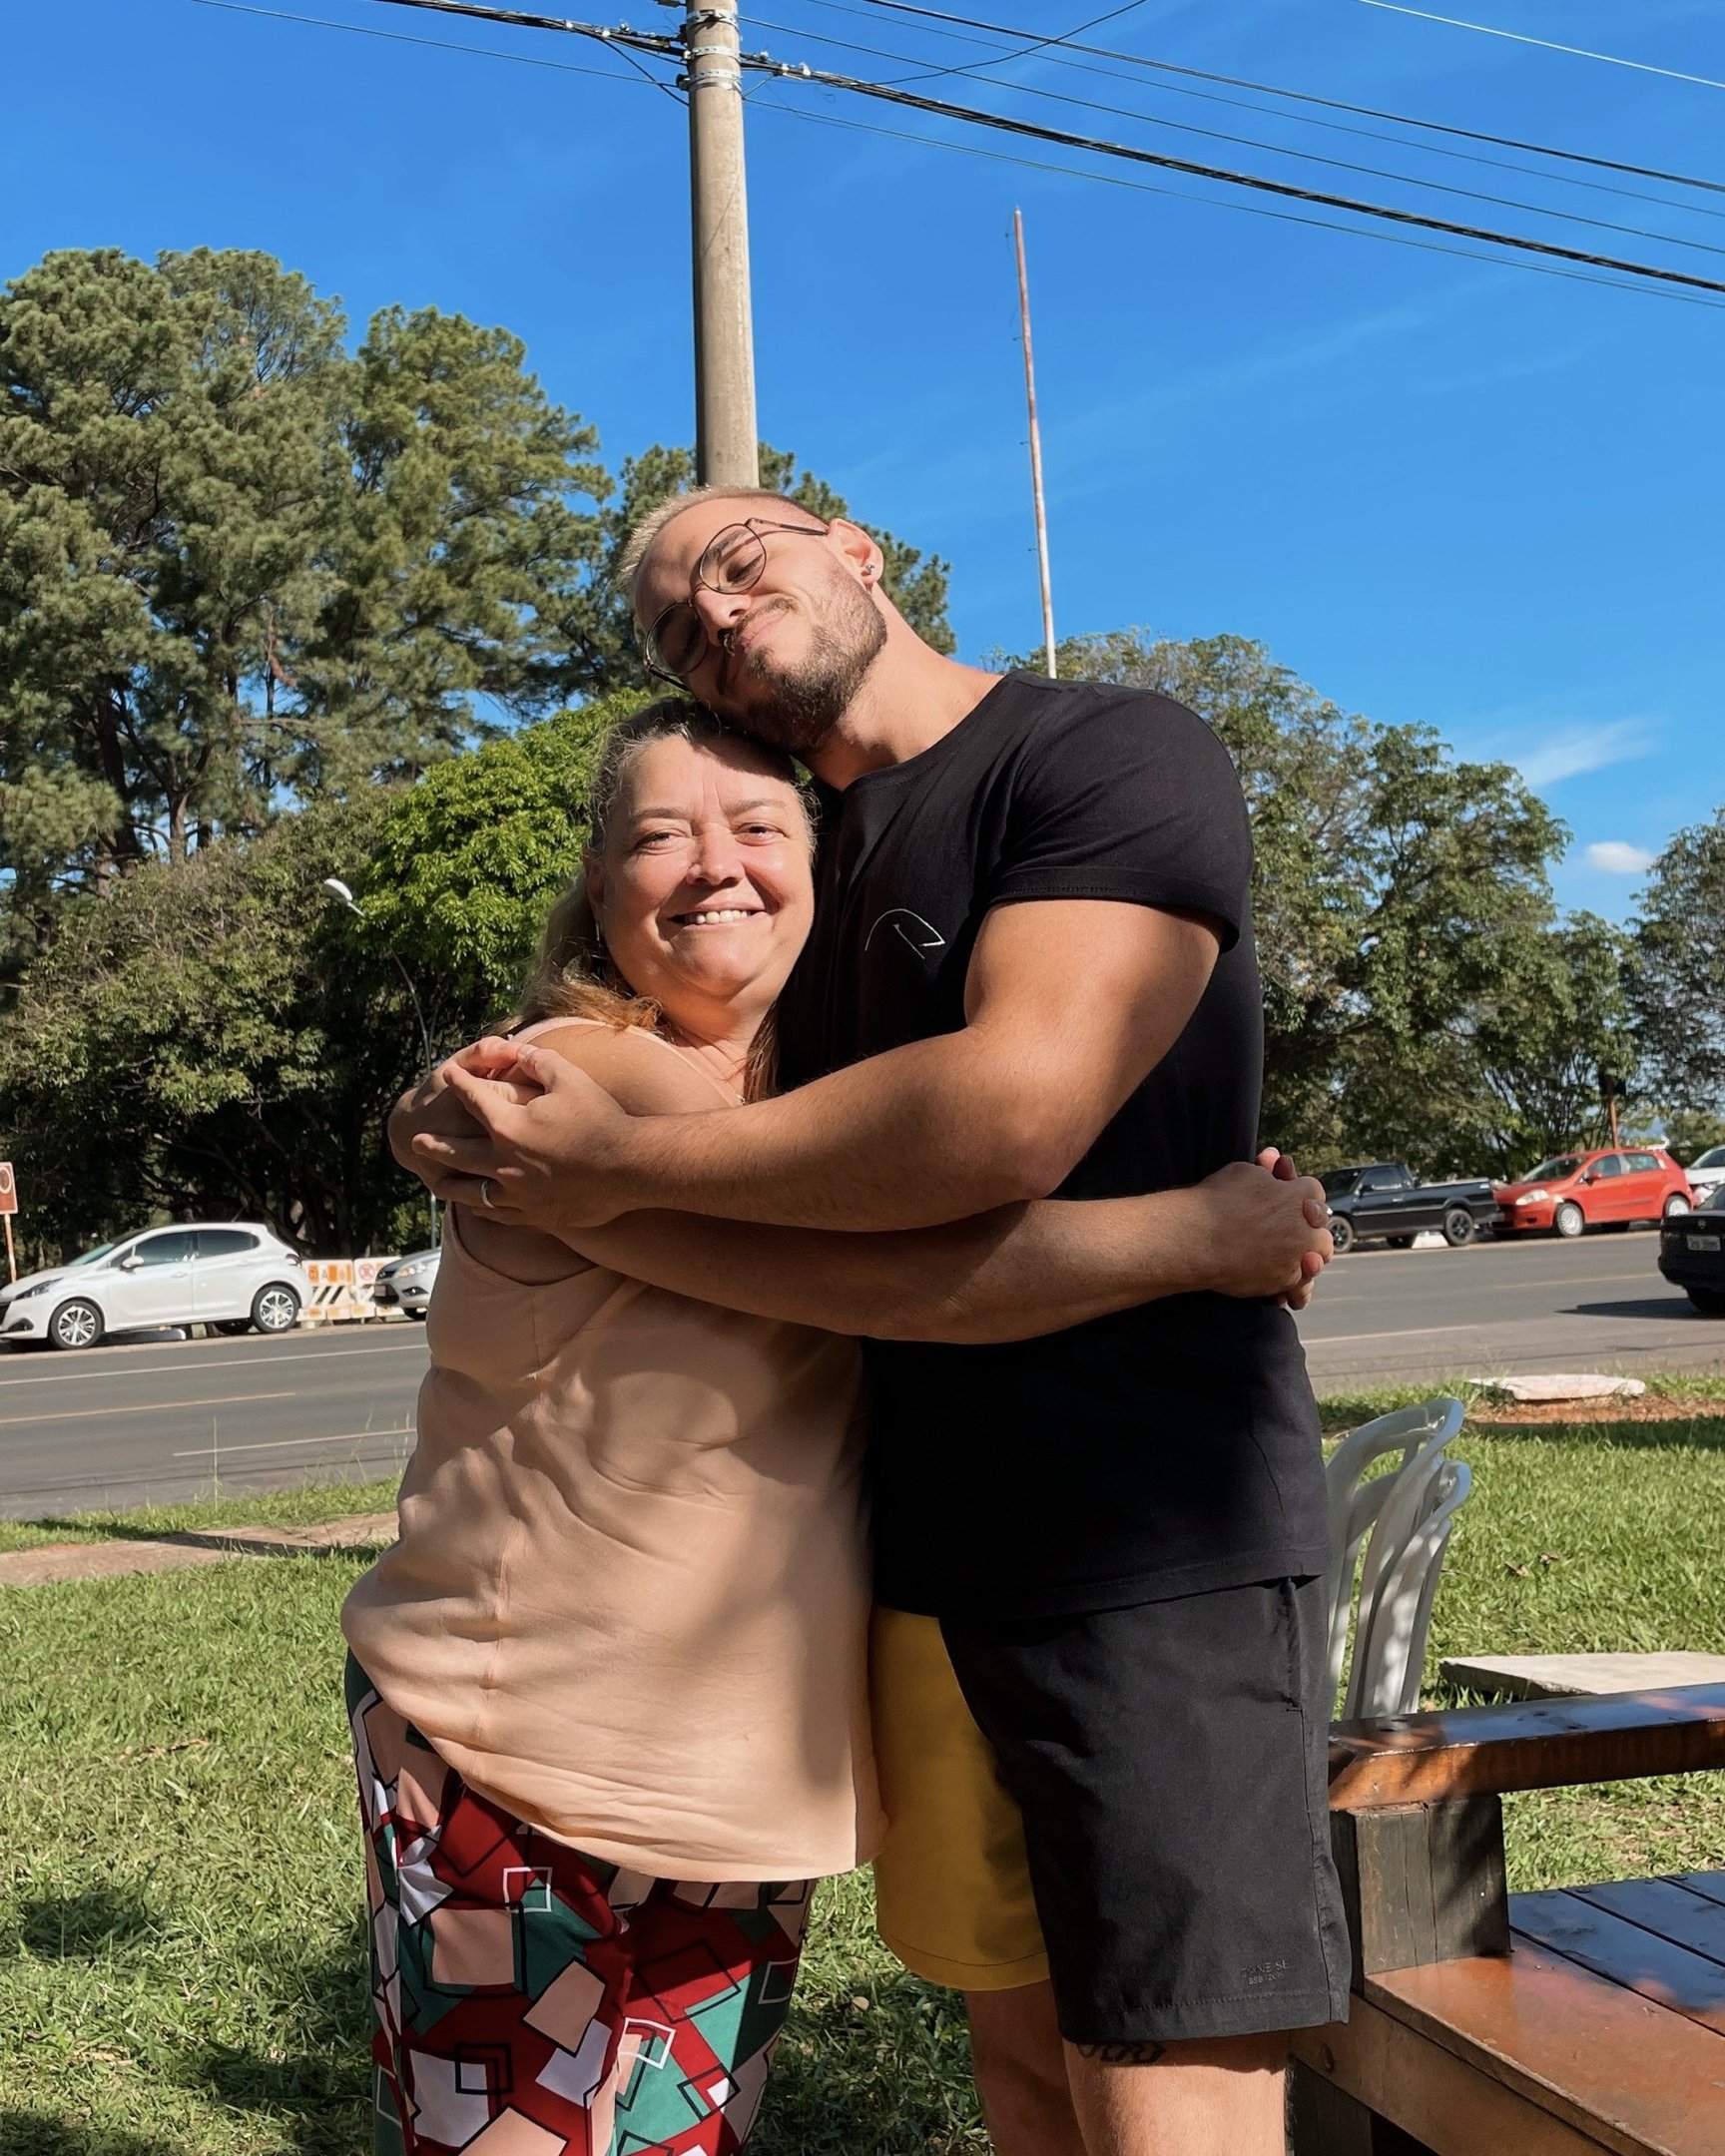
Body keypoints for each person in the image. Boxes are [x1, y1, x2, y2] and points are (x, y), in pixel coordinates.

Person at [362, 697, 1335, 2156]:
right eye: (658, 837)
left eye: (757, 828)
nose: (713, 866)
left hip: (733, 1787)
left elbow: (931, 1180)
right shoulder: (593, 1085)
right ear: (598, 887)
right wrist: (1194, 1235)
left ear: (829, 880)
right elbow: (909, 1288)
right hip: (512, 1764)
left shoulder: (817, 1125)